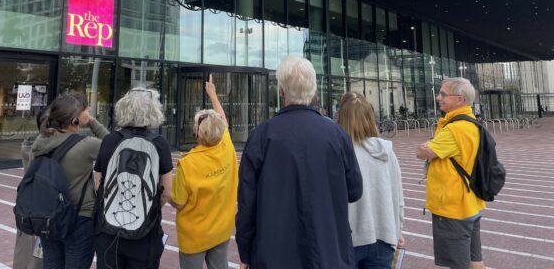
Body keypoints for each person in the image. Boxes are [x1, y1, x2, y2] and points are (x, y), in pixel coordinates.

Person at [236, 55, 363, 269]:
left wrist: (245, 252)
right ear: (313, 91)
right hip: (329, 254)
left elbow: (247, 204)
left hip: (274, 255)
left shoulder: (262, 135)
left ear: (282, 91)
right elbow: (354, 191)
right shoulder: (337, 135)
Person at [94, 88, 173, 269]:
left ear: (122, 109)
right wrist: (148, 208)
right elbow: (167, 192)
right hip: (145, 234)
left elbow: (98, 183)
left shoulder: (110, 140)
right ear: (154, 111)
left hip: (108, 230)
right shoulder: (159, 144)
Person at [31, 93, 109, 269]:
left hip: (47, 216)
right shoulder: (86, 144)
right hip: (79, 218)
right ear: (75, 120)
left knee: (51, 264)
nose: (89, 111)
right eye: (85, 110)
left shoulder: (40, 141)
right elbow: (113, 145)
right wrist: (92, 122)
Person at [416, 77, 486, 269]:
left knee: (458, 263)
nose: (438, 97)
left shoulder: (455, 129)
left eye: (443, 94)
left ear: (460, 99)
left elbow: (422, 152)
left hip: (453, 207)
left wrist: (427, 146)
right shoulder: (470, 123)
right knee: (475, 260)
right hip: (470, 202)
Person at [170, 75, 238, 269]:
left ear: (197, 134)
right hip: (222, 229)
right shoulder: (227, 146)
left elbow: (178, 201)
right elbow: (223, 120)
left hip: (194, 236)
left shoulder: (188, 163)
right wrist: (213, 95)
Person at [337, 92, 405, 269]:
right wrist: (398, 229)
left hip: (347, 239)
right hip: (384, 234)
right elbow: (397, 197)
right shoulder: (387, 152)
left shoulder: (338, 152)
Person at [13, 109, 47, 269]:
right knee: (35, 258)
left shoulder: (32, 145)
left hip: (28, 210)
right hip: (40, 214)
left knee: (28, 255)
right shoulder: (41, 149)